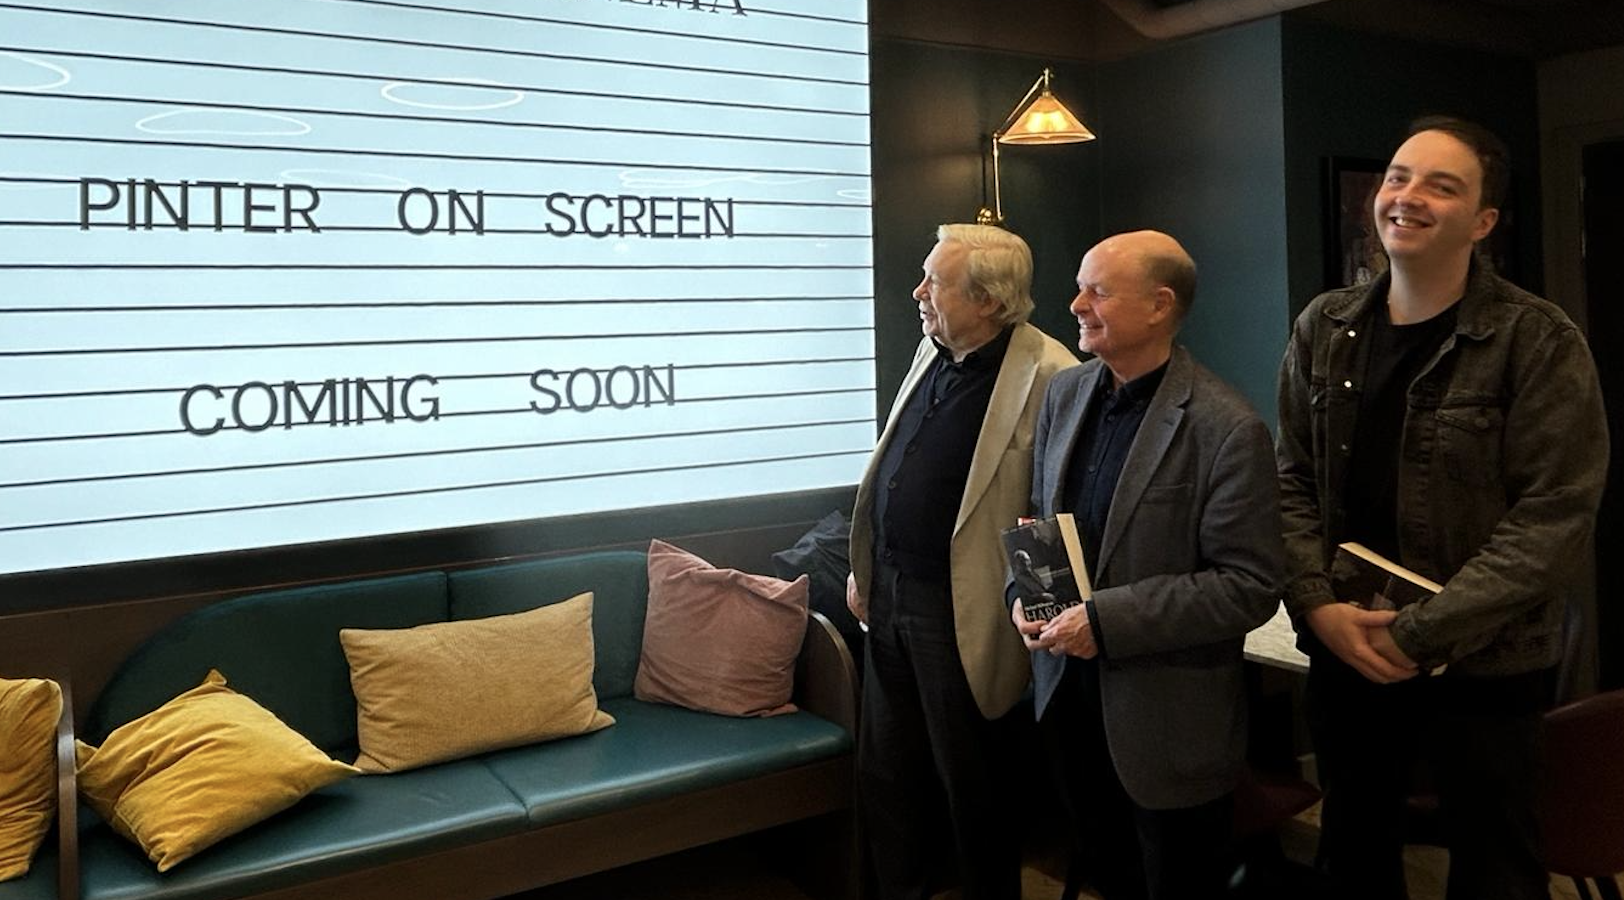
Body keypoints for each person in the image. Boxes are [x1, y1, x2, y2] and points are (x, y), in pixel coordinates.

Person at [1276, 116, 1609, 900]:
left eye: (1441, 185)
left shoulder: (1537, 339)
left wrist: (1423, 632)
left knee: (1497, 871)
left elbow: (1555, 520)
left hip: (1487, 667)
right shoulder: (1324, 327)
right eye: (1398, 177)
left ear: (1483, 221)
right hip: (1347, 652)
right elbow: (1288, 481)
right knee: (1352, 856)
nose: (1408, 196)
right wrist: (1318, 608)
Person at [1012, 229, 1283, 900]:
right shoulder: (1064, 394)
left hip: (1167, 730)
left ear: (1160, 306)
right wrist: (1025, 595)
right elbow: (1043, 523)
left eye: (1097, 291)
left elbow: (1248, 588)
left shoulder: (1227, 427)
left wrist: (1104, 621)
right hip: (1067, 703)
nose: (1074, 303)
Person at [847, 223, 1077, 900]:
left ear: (987, 299)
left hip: (967, 610)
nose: (917, 292)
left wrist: (1045, 617)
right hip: (889, 595)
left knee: (972, 787)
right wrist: (866, 566)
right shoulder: (932, 350)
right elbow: (896, 466)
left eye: (934, 282)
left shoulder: (1052, 374)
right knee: (888, 777)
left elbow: (1052, 501)